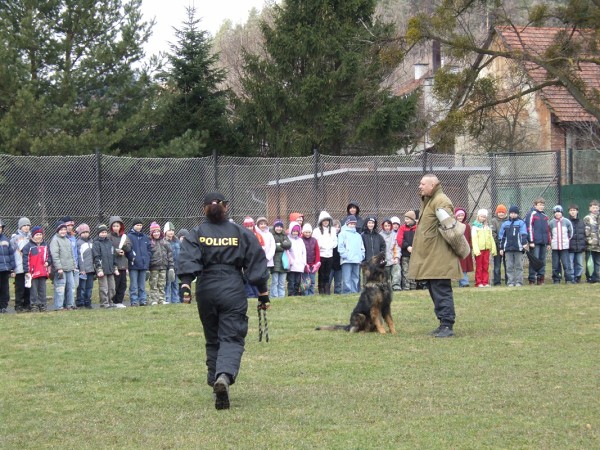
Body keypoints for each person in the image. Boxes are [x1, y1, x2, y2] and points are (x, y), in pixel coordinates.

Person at [177, 192, 270, 410]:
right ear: (226, 207)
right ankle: (224, 376)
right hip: (232, 287)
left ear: (204, 209)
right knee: (231, 336)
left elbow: (187, 258)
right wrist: (263, 293)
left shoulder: (197, 233)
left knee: (212, 337)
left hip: (206, 288)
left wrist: (185, 285)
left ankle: (214, 382)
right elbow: (256, 261)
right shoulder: (240, 232)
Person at [409, 174, 462, 338]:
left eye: (423, 184)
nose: (420, 186)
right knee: (435, 289)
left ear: (433, 185)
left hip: (440, 256)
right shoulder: (430, 200)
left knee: (441, 290)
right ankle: (442, 323)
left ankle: (447, 325)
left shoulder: (441, 201)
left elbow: (450, 227)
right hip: (432, 255)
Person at [22, 226, 51, 312]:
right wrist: (26, 271)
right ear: (33, 236)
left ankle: (42, 304)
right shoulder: (28, 246)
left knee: (42, 289)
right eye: (37, 234)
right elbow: (25, 259)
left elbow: (49, 256)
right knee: (33, 290)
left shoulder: (45, 245)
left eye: (40, 234)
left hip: (43, 272)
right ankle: (33, 305)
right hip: (33, 273)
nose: (39, 236)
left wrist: (48, 262)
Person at [498, 206, 529, 286]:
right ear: (509, 214)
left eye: (515, 213)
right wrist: (501, 248)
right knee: (509, 266)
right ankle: (510, 282)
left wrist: (524, 243)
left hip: (518, 248)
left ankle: (519, 282)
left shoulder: (521, 223)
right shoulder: (505, 224)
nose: (513, 215)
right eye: (511, 213)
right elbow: (501, 237)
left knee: (519, 266)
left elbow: (524, 234)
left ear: (517, 214)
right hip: (508, 248)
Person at [50, 221, 77, 310]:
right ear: (57, 230)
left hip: (69, 268)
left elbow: (72, 254)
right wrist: (59, 268)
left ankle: (70, 304)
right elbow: (55, 255)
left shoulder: (67, 240)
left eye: (65, 229)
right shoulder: (55, 240)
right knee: (60, 288)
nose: (63, 231)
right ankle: (59, 306)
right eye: (61, 230)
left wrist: (74, 265)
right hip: (60, 269)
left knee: (71, 287)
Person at [525, 198, 550, 285]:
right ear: (535, 205)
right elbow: (529, 228)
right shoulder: (531, 214)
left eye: (542, 205)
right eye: (539, 205)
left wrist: (548, 243)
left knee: (542, 261)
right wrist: (531, 241)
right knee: (534, 260)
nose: (541, 206)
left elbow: (547, 230)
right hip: (535, 242)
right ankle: (532, 279)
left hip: (543, 242)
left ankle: (540, 278)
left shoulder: (545, 216)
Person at [93, 224, 120, 308]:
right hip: (102, 269)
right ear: (98, 233)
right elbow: (96, 257)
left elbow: (113, 256)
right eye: (102, 232)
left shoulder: (110, 243)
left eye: (105, 232)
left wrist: (115, 267)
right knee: (104, 287)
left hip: (111, 269)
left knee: (112, 287)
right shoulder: (96, 243)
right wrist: (99, 269)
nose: (104, 234)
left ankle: (110, 301)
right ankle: (104, 303)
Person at [148, 221, 174, 305]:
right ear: (152, 233)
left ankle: (161, 299)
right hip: (153, 267)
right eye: (154, 232)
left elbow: (170, 255)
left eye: (158, 231)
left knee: (162, 283)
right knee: (154, 284)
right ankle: (154, 300)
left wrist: (171, 266)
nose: (156, 233)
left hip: (163, 266)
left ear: (160, 232)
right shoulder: (150, 243)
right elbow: (148, 255)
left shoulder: (165, 242)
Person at [337, 215, 365, 294]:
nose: (352, 225)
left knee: (355, 277)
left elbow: (362, 248)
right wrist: (345, 255)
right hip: (347, 260)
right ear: (347, 223)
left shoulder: (358, 235)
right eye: (351, 223)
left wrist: (361, 256)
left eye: (354, 224)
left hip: (356, 260)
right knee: (346, 278)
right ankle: (346, 292)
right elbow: (341, 246)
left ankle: (354, 292)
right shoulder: (342, 234)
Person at [312, 211, 337, 295]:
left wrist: (330, 246)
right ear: (321, 221)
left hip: (330, 254)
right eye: (324, 220)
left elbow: (335, 242)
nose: (326, 222)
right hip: (321, 255)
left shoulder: (333, 230)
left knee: (328, 273)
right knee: (321, 273)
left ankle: (327, 289)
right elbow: (315, 242)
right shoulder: (316, 230)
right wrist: (321, 246)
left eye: (327, 220)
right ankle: (321, 289)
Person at [128, 218, 151, 306]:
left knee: (142, 285)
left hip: (143, 264)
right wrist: (132, 257)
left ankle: (143, 300)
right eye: (137, 225)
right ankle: (134, 301)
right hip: (133, 265)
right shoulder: (129, 236)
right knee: (133, 285)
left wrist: (147, 257)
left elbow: (149, 249)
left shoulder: (145, 237)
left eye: (140, 225)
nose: (139, 227)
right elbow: (128, 249)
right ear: (133, 226)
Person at [109, 216, 132, 307]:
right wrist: (116, 251)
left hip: (123, 264)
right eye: (114, 226)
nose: (116, 228)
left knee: (123, 284)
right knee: (115, 284)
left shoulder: (124, 236)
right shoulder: (109, 237)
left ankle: (119, 301)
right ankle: (112, 301)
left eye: (117, 226)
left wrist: (125, 247)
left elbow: (129, 248)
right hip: (114, 265)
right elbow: (108, 249)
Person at [471, 209, 497, 288]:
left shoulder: (487, 227)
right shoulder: (475, 227)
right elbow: (474, 239)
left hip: (486, 250)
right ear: (478, 217)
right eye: (481, 216)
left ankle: (485, 282)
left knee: (486, 266)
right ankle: (478, 282)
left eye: (484, 217)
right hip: (479, 250)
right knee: (479, 267)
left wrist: (493, 249)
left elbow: (491, 238)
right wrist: (476, 250)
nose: (483, 218)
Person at [549, 205, 574, 284]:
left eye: (559, 212)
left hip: (564, 247)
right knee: (555, 264)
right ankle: (556, 278)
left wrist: (567, 240)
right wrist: (551, 242)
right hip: (555, 247)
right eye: (556, 212)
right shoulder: (551, 223)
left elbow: (571, 232)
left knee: (566, 264)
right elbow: (549, 234)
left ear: (562, 213)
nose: (557, 214)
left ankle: (568, 279)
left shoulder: (567, 222)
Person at [11, 217, 32, 312]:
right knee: (19, 287)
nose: (26, 227)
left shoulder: (31, 237)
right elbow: (12, 252)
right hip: (19, 266)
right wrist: (13, 268)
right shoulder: (15, 238)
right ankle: (18, 305)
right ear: (20, 227)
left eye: (28, 225)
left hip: (29, 266)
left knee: (28, 286)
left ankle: (27, 304)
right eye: (24, 225)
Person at [396, 211, 418, 291]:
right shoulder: (402, 228)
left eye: (408, 219)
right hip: (405, 254)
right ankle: (406, 287)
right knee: (405, 271)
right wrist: (407, 246)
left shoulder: (417, 228)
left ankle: (413, 286)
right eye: (405, 219)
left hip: (415, 254)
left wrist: (415, 248)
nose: (406, 221)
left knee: (414, 270)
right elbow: (399, 239)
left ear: (413, 219)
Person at [270, 218, 291, 298]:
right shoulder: (271, 235)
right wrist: (282, 245)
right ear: (274, 227)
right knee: (275, 281)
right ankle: (274, 296)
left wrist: (279, 244)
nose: (279, 228)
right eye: (277, 226)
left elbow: (289, 245)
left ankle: (281, 296)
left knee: (282, 282)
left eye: (280, 227)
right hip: (275, 263)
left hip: (284, 263)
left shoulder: (284, 235)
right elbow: (273, 247)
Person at [75, 223, 95, 309]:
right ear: (80, 234)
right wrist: (82, 269)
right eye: (83, 232)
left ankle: (88, 302)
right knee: (82, 287)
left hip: (91, 269)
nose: (85, 234)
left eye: (87, 232)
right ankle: (80, 302)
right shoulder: (79, 243)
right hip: (83, 270)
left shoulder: (91, 242)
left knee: (89, 287)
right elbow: (80, 257)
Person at [361, 216, 386, 281]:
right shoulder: (362, 236)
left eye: (372, 223)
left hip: (377, 262)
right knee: (366, 280)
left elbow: (383, 246)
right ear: (366, 224)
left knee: (376, 279)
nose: (371, 225)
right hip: (366, 261)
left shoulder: (378, 236)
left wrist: (381, 256)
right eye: (369, 223)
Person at [454, 208, 473, 288]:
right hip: (457, 249)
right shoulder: (453, 225)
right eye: (458, 216)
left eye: (462, 215)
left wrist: (470, 247)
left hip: (465, 249)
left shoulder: (467, 226)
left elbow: (469, 238)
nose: (460, 217)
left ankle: (464, 283)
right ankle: (463, 282)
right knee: (460, 266)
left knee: (463, 267)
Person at [0, 220, 16, 314]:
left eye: (0, 227)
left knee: (4, 289)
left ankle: (3, 307)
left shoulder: (6, 240)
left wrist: (12, 268)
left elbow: (11, 255)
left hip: (5, 269)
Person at [490, 204, 508, 285]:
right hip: (497, 246)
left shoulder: (508, 220)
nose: (501, 214)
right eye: (499, 212)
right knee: (497, 265)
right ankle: (497, 282)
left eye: (502, 212)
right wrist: (497, 242)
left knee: (507, 264)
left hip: (506, 246)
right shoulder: (493, 221)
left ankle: (508, 281)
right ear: (497, 212)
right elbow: (492, 232)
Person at [287, 221, 306, 296]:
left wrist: (304, 262)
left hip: (299, 265)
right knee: (291, 281)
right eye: (293, 231)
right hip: (292, 265)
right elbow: (287, 252)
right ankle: (291, 294)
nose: (295, 233)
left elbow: (304, 252)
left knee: (297, 281)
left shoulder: (300, 240)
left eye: (297, 231)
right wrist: (290, 261)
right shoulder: (288, 240)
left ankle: (295, 294)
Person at [568, 205, 586, 283]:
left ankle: (578, 277)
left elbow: (584, 234)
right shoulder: (567, 222)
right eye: (571, 210)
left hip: (579, 248)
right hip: (570, 247)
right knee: (570, 264)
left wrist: (583, 245)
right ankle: (571, 278)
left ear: (577, 211)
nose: (573, 211)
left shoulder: (581, 222)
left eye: (574, 210)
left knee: (579, 264)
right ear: (569, 212)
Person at [163, 222, 181, 304]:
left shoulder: (177, 241)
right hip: (168, 267)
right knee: (168, 283)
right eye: (169, 230)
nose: (171, 232)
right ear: (165, 232)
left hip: (177, 266)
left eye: (172, 230)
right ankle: (167, 299)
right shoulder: (163, 242)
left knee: (175, 284)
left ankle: (175, 300)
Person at [301, 223, 320, 296]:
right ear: (303, 232)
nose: (308, 234)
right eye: (306, 232)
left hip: (313, 265)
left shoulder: (314, 240)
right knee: (306, 281)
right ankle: (305, 294)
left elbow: (317, 252)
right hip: (305, 265)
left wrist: (317, 263)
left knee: (312, 280)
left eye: (309, 232)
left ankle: (311, 294)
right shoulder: (301, 240)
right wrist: (304, 264)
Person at [583, 199, 600, 283]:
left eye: (597, 207)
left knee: (598, 262)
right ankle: (590, 277)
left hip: (599, 246)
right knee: (590, 262)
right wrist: (588, 241)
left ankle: (597, 277)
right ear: (590, 208)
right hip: (590, 245)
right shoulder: (587, 218)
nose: (595, 209)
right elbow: (586, 231)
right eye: (593, 207)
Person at [379, 218, 399, 287]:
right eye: (385, 226)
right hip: (384, 259)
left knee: (396, 271)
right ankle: (385, 286)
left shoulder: (395, 235)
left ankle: (396, 286)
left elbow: (397, 247)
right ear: (383, 226)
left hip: (393, 258)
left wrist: (396, 257)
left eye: (389, 225)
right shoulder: (380, 235)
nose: (387, 227)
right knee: (385, 275)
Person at [330, 220, 343, 294]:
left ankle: (337, 294)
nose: (337, 228)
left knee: (338, 283)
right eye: (335, 226)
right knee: (328, 281)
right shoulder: (329, 236)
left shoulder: (341, 237)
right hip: (330, 263)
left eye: (338, 227)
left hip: (339, 264)